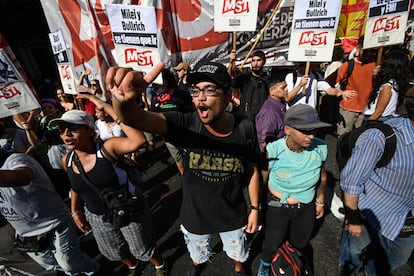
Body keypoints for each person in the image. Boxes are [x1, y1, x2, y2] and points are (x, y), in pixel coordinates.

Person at [106, 61, 261, 276]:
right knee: (198, 253)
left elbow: (252, 170)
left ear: (228, 96)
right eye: (196, 91)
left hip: (232, 215)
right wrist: (123, 103)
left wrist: (255, 209)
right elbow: (135, 118)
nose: (200, 98)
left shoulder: (245, 127)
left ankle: (238, 269)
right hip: (194, 216)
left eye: (210, 90)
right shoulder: (186, 124)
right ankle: (197, 265)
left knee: (237, 252)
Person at [50, 106, 166, 276]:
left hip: (127, 207)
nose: (66, 134)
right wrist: (75, 211)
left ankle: (159, 265)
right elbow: (76, 186)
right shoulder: (66, 159)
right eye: (62, 130)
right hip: (96, 215)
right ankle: (132, 265)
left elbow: (138, 141)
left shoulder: (107, 148)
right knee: (112, 250)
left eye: (73, 128)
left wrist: (113, 113)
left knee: (141, 247)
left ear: (90, 131)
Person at [337, 88, 414, 275]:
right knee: (351, 255)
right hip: (371, 215)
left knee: (394, 260)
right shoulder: (380, 137)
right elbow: (351, 182)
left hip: (407, 221)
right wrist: (353, 219)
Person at [0, 146, 100, 275]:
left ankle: (93, 270)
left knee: (69, 263)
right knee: (50, 264)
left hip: (54, 222)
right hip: (27, 233)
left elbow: (23, 176)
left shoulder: (16, 159)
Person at [257, 104, 331, 276]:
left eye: (314, 130)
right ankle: (265, 266)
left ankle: (293, 263)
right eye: (306, 131)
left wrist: (320, 201)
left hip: (306, 208)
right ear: (287, 129)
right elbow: (263, 179)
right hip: (277, 208)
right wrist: (257, 208)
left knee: (300, 242)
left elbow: (323, 177)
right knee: (271, 242)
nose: (312, 136)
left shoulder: (320, 148)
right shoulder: (274, 150)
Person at [335, 36, 377, 135]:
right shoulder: (348, 65)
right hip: (349, 108)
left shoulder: (375, 64)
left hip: (366, 108)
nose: (369, 54)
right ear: (359, 48)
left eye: (371, 51)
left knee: (360, 137)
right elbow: (332, 83)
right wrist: (342, 92)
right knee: (344, 135)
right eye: (366, 51)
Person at [364, 48, 410, 121]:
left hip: (377, 119)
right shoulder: (395, 84)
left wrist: (364, 127)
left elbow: (378, 112)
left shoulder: (387, 86)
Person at [231, 50, 269, 125]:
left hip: (262, 120)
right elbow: (228, 82)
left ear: (264, 62)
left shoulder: (268, 80)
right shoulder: (245, 78)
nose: (255, 63)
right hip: (245, 119)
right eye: (253, 61)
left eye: (258, 60)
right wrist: (231, 62)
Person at [254, 73, 288, 153]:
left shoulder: (279, 107)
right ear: (272, 91)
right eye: (283, 88)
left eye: (286, 86)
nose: (286, 90)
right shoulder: (270, 112)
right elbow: (264, 140)